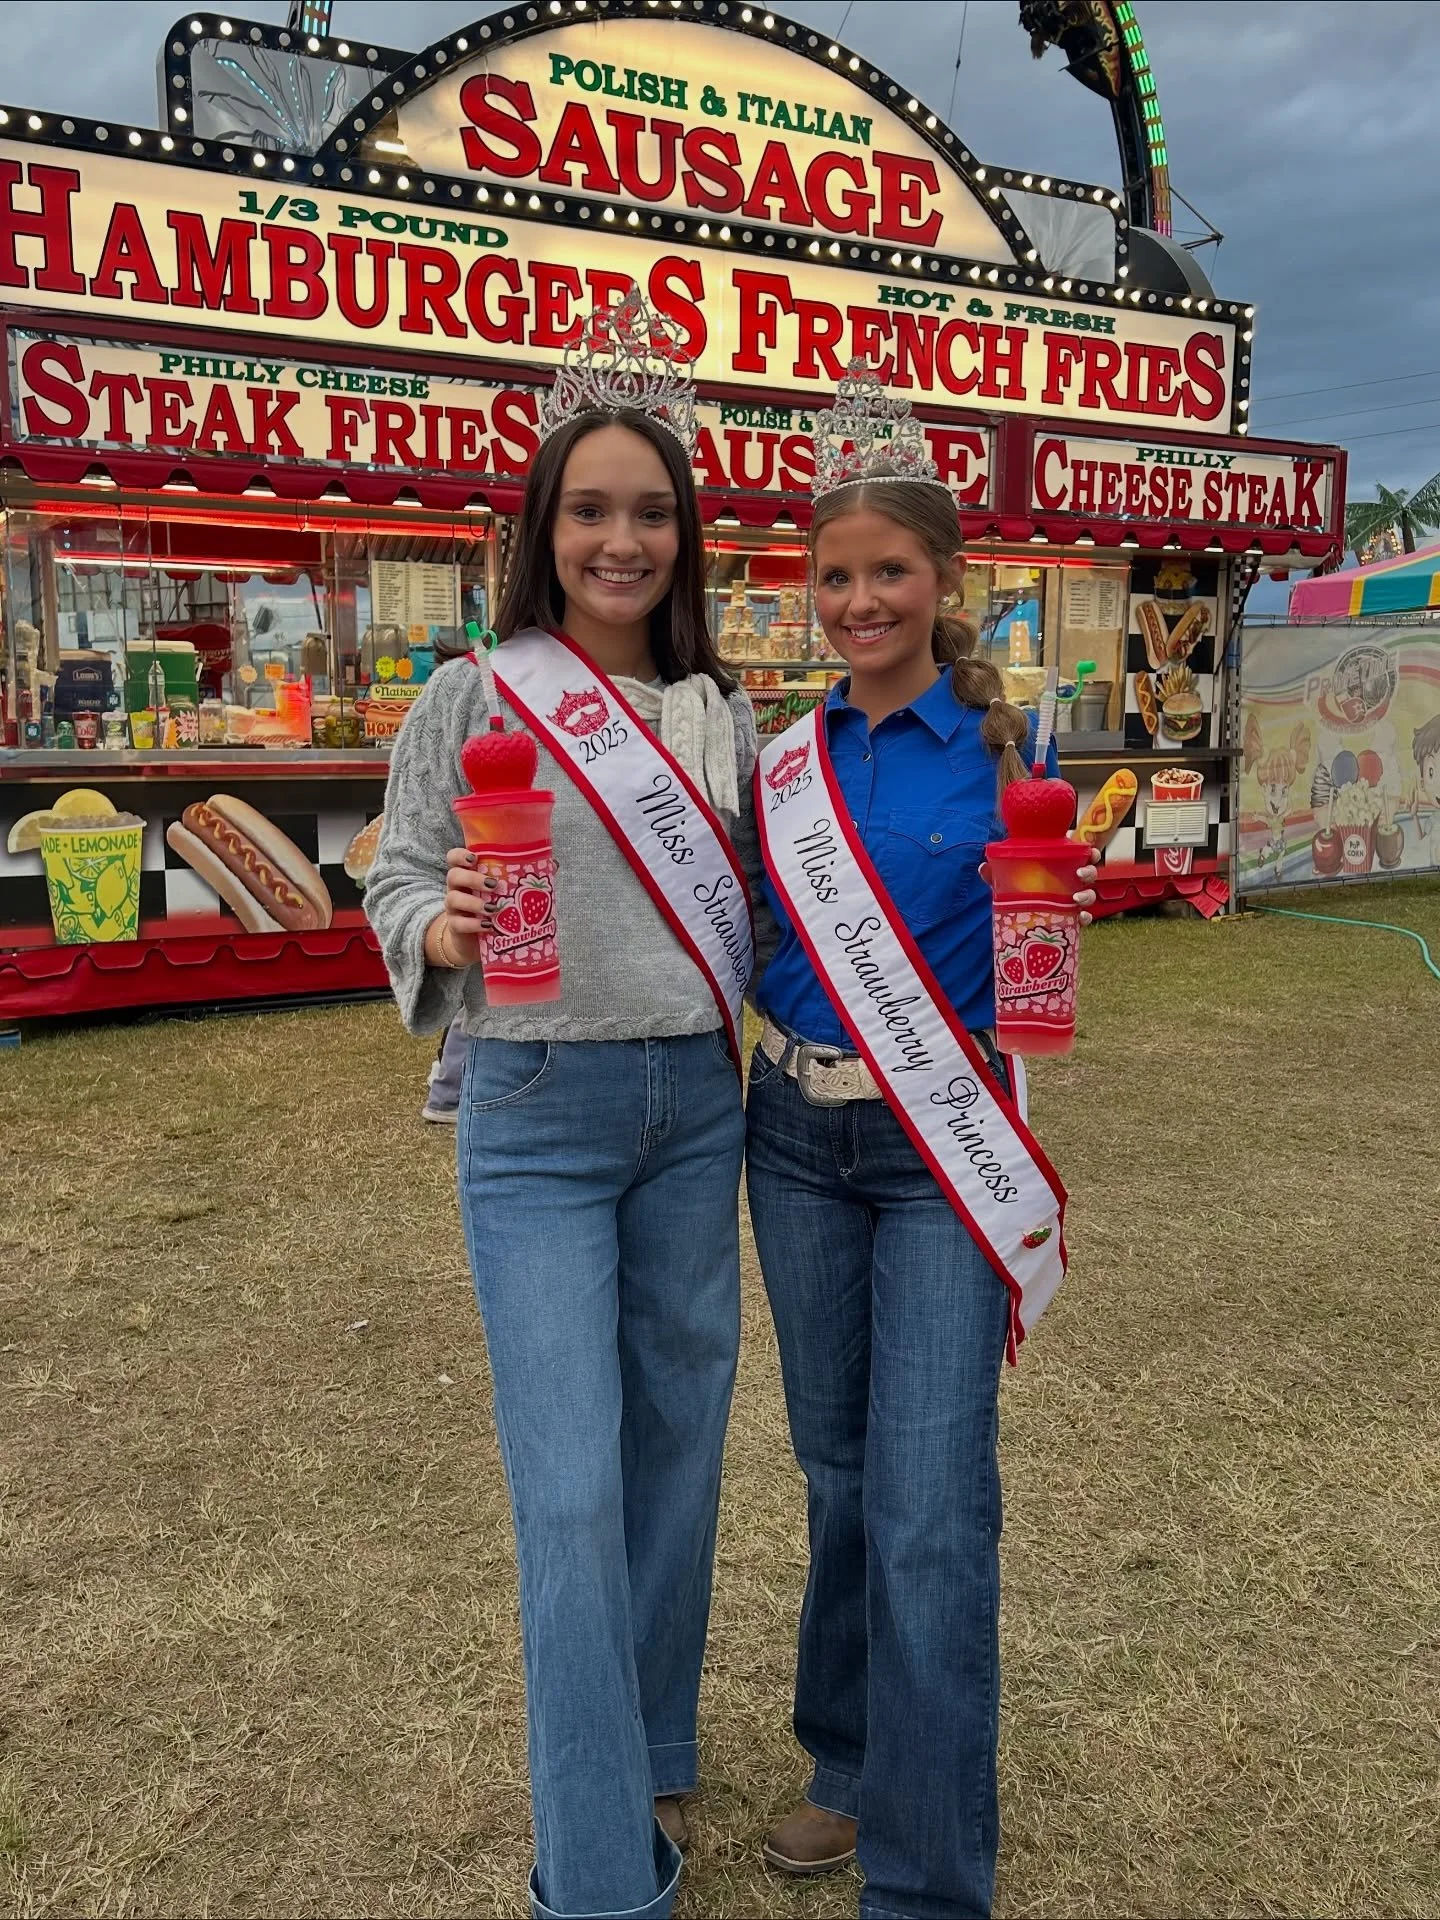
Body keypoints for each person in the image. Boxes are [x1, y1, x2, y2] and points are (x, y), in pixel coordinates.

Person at [365, 291, 760, 1920]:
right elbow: (389, 873)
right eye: (591, 510)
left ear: (686, 532)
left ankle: (649, 1735)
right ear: (544, 528)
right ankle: (602, 1876)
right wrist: (440, 927)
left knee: (678, 1461)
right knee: (573, 1490)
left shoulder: (729, 716)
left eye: (651, 510)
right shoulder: (474, 694)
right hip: (535, 1114)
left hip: (698, 1109)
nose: (623, 540)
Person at [745, 363, 1095, 1920]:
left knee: (934, 1501)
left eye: (889, 570)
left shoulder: (1014, 760)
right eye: (834, 575)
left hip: (937, 1151)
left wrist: (1059, 929)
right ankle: (848, 1760)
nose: (859, 598)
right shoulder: (773, 767)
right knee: (837, 1474)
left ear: (946, 582)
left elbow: (1034, 973)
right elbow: (738, 934)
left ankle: (929, 1879)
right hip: (793, 1134)